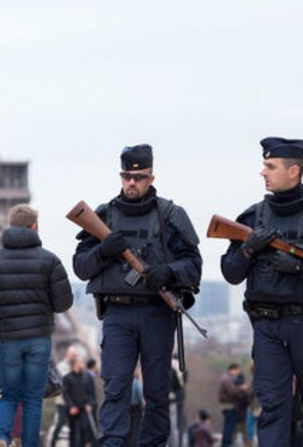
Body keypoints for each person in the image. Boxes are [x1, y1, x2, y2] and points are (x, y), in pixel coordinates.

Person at [219, 137, 303, 446]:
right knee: (271, 408)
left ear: (293, 170)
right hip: (267, 327)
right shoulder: (253, 218)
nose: (262, 172)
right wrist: (247, 251)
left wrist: (300, 268)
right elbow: (230, 273)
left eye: (270, 166)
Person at [73, 144, 202, 447]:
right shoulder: (103, 216)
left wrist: (168, 272)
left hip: (156, 312)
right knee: (115, 386)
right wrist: (104, 250)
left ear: (151, 178)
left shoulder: (170, 215)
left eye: (139, 177)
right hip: (117, 313)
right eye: (126, 177)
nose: (132, 183)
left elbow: (193, 265)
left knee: (157, 390)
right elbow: (81, 266)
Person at [0, 203, 74, 447]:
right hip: (39, 338)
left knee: (8, 395)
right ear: (34, 227)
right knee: (32, 399)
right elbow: (64, 302)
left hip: (8, 337)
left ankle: (1, 438)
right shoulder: (49, 260)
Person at [63, 357, 97, 447]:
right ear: (75, 364)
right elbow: (66, 394)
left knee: (84, 431)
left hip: (85, 408)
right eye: (81, 362)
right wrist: (71, 406)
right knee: (73, 432)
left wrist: (90, 404)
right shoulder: (67, 378)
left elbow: (92, 393)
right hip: (73, 409)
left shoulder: (88, 377)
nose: (83, 364)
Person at [51, 348, 78, 447]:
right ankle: (53, 443)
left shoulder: (74, 366)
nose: (74, 357)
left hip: (72, 401)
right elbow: (59, 382)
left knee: (73, 424)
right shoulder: (62, 366)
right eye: (73, 355)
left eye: (75, 355)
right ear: (68, 354)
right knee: (60, 423)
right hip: (62, 400)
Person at [218, 363, 249, 447]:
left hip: (230, 405)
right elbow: (232, 390)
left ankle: (227, 442)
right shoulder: (226, 378)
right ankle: (226, 443)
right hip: (229, 405)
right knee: (229, 425)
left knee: (230, 425)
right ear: (233, 369)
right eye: (237, 371)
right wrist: (241, 388)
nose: (238, 373)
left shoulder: (228, 377)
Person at [129, 368, 144, 447]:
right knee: (136, 428)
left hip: (128, 408)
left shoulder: (127, 383)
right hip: (136, 408)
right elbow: (140, 396)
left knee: (130, 429)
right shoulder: (136, 383)